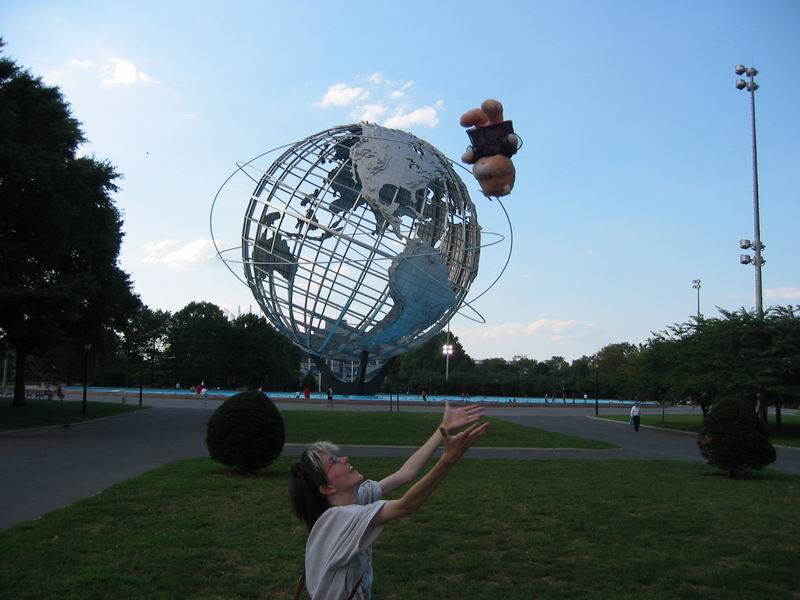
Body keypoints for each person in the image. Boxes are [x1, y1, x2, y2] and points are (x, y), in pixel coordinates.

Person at [289, 402, 488, 599]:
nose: (345, 459)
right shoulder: (337, 519)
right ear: (327, 488)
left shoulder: (356, 499)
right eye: (334, 462)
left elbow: (406, 473)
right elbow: (406, 505)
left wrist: (442, 428)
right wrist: (448, 460)